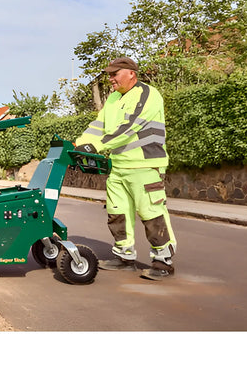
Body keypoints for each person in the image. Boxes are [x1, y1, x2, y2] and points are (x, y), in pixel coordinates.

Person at [74, 57, 177, 280]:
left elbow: (130, 127)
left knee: (152, 214)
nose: (110, 79)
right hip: (119, 166)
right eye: (109, 75)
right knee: (117, 212)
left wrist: (97, 146)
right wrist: (81, 144)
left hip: (145, 164)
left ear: (131, 73)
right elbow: (97, 127)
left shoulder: (148, 94)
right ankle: (124, 257)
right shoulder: (112, 99)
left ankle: (163, 261)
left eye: (115, 74)